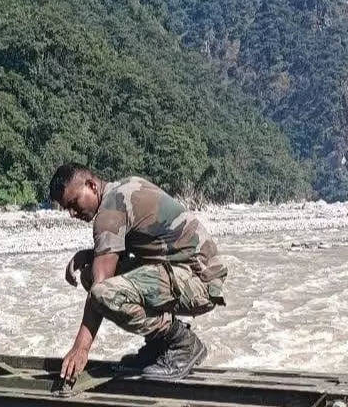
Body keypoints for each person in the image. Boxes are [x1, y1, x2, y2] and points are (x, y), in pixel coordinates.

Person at [48, 163, 226, 382]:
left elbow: (100, 287)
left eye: (74, 203)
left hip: (200, 282)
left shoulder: (110, 212)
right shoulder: (123, 189)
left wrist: (80, 349)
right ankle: (159, 345)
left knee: (103, 294)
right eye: (67, 208)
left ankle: (182, 344)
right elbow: (122, 253)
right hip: (191, 274)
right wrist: (89, 254)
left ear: (92, 185)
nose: (73, 213)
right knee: (90, 274)